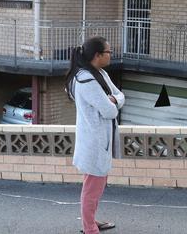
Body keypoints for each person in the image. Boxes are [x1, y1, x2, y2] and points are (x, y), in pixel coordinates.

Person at [65, 36, 124, 234]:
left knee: (96, 185)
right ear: (98, 55)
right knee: (92, 188)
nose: (111, 55)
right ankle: (89, 228)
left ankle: (91, 221)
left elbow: (120, 96)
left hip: (100, 141)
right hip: (95, 142)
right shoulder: (86, 81)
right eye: (109, 52)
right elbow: (111, 112)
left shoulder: (100, 74)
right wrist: (115, 102)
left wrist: (113, 99)